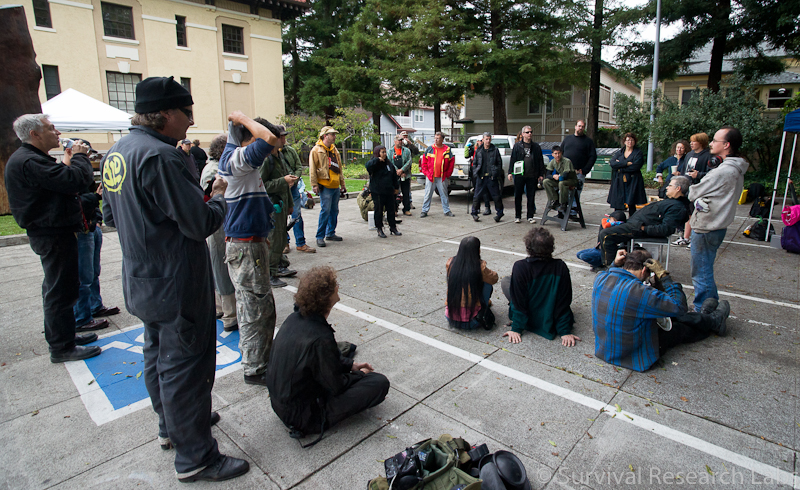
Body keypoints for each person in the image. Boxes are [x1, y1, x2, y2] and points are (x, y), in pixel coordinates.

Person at [101, 77, 248, 482]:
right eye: (187, 112)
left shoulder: (117, 152)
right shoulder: (162, 157)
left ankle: (172, 426)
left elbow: (110, 217)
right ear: (165, 113)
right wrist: (218, 195)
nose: (191, 121)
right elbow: (199, 222)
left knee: (157, 355)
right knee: (185, 367)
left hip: (142, 276)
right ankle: (196, 457)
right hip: (175, 281)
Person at [5, 114, 102, 363]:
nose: (57, 133)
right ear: (34, 134)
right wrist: (80, 157)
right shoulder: (29, 161)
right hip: (51, 233)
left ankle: (66, 336)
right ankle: (61, 346)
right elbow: (75, 180)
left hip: (54, 231)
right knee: (60, 290)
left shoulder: (33, 159)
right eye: (50, 128)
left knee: (64, 287)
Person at [266, 266, 390, 443]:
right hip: (303, 416)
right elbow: (336, 385)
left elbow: (320, 362)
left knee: (348, 352)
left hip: (281, 404)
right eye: (334, 285)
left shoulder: (294, 318)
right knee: (378, 382)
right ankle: (318, 419)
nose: (337, 287)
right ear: (326, 298)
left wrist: (350, 365)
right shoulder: (321, 338)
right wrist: (359, 375)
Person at [218, 112, 280, 387]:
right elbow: (268, 139)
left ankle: (261, 360)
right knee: (254, 310)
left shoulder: (234, 153)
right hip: (245, 247)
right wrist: (242, 118)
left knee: (260, 306)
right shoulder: (239, 159)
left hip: (250, 243)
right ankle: (255, 368)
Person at [592, 249, 730, 372]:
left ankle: (705, 317)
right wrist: (664, 276)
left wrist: (615, 263)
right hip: (632, 356)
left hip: (605, 349)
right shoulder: (640, 292)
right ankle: (712, 321)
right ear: (645, 270)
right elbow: (679, 307)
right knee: (678, 328)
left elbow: (610, 270)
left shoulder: (601, 278)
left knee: (664, 314)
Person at [686, 127, 748, 312]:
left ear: (726, 145)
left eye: (715, 140)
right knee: (705, 268)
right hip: (717, 225)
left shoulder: (723, 171)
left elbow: (693, 192)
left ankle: (703, 310)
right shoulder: (735, 168)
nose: (711, 143)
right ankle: (709, 305)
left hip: (707, 227)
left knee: (701, 271)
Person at [577, 176, 693, 268]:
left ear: (678, 189)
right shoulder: (672, 201)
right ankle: (601, 253)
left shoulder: (677, 207)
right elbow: (662, 192)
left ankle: (612, 268)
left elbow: (666, 229)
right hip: (635, 223)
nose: (667, 187)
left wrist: (643, 228)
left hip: (638, 228)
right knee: (606, 224)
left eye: (670, 185)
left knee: (606, 234)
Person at [501, 227, 579, 346]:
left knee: (506, 282)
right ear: (551, 247)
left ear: (528, 247)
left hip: (528, 316)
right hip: (551, 316)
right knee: (509, 281)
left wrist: (516, 328)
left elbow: (518, 302)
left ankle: (523, 319)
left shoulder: (520, 266)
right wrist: (564, 330)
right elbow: (565, 300)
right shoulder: (560, 266)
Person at [73, 140, 120, 332]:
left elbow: (90, 192)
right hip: (80, 229)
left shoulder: (80, 174)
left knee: (93, 272)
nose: (89, 161)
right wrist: (79, 158)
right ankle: (82, 317)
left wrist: (97, 216)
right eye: (85, 156)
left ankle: (94, 306)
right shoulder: (68, 173)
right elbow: (78, 198)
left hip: (91, 225)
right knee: (83, 276)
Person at [200, 134, 238, 333]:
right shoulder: (214, 170)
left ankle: (220, 307)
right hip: (218, 223)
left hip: (217, 220)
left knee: (218, 264)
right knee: (221, 265)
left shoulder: (212, 167)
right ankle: (229, 313)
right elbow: (212, 197)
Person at [261, 122, 298, 288]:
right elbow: (262, 185)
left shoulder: (280, 156)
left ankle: (280, 266)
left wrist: (290, 203)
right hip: (272, 205)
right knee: (275, 239)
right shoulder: (266, 160)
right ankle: (270, 273)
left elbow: (286, 183)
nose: (284, 139)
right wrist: (282, 181)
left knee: (281, 237)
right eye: (281, 136)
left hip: (282, 204)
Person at [445, 236, 498, 330]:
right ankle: (482, 306)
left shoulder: (451, 263)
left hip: (450, 318)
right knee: (487, 285)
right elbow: (494, 279)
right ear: (477, 250)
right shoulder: (480, 267)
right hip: (472, 322)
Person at [310, 126, 347, 248]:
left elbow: (339, 168)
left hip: (335, 185)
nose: (335, 136)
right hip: (325, 186)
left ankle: (331, 233)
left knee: (334, 211)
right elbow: (312, 169)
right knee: (325, 211)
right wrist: (314, 184)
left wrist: (342, 184)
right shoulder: (316, 150)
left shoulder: (334, 150)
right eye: (332, 134)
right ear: (325, 136)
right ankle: (320, 236)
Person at [673, 133, 712, 247]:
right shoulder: (689, 154)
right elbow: (685, 170)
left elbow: (712, 174)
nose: (691, 143)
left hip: (699, 189)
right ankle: (685, 237)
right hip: (687, 188)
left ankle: (696, 239)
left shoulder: (708, 156)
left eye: (694, 141)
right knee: (687, 213)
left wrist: (698, 175)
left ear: (701, 142)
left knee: (696, 213)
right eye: (691, 141)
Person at [280, 127, 315, 253]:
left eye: (284, 136)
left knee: (297, 216)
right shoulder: (271, 154)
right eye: (281, 136)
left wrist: (294, 179)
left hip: (293, 188)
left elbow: (299, 167)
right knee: (281, 218)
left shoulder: (290, 151)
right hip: (280, 190)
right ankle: (285, 243)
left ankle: (301, 243)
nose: (283, 139)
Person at [507, 125, 545, 223]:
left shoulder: (536, 146)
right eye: (527, 132)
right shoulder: (518, 146)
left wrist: (541, 174)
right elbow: (513, 159)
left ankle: (530, 216)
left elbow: (540, 161)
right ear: (523, 134)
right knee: (518, 195)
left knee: (531, 196)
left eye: (531, 132)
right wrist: (510, 172)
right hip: (519, 174)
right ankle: (518, 215)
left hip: (532, 175)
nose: (530, 134)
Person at [560, 120, 596, 218]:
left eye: (583, 126)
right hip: (566, 172)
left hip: (578, 173)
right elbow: (560, 153)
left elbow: (593, 157)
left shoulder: (588, 142)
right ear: (575, 127)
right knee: (563, 191)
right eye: (579, 126)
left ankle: (572, 213)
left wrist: (585, 170)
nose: (581, 128)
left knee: (575, 193)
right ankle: (562, 211)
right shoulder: (567, 139)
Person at [608, 132, 646, 218]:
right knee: (618, 202)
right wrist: (626, 163)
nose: (630, 142)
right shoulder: (620, 152)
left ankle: (632, 222)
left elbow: (636, 166)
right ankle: (617, 219)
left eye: (632, 140)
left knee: (631, 202)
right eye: (628, 140)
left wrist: (620, 166)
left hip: (632, 181)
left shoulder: (638, 153)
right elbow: (612, 163)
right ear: (624, 142)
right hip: (619, 181)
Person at [366, 145, 402, 238]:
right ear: (378, 153)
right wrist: (377, 160)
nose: (384, 154)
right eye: (382, 152)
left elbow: (394, 176)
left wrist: (396, 187)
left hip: (389, 191)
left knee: (391, 210)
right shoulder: (374, 163)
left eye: (385, 152)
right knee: (379, 211)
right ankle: (379, 229)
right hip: (378, 192)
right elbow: (368, 166)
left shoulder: (388, 164)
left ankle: (393, 228)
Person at [419, 132, 456, 218]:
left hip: (442, 177)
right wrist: (427, 173)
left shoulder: (447, 150)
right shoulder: (429, 149)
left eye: (438, 138)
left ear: (442, 140)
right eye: (435, 138)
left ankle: (447, 211)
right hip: (431, 176)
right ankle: (424, 210)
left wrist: (448, 174)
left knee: (444, 194)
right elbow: (424, 162)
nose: (436, 140)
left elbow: (451, 162)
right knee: (428, 194)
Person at [471, 132, 503, 222]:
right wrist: (475, 172)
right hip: (481, 177)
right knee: (476, 196)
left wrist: (496, 172)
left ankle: (500, 213)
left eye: (489, 139)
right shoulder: (479, 150)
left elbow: (499, 163)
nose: (488, 141)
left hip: (491, 177)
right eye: (486, 139)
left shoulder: (495, 150)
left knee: (496, 197)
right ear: (483, 140)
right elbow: (475, 163)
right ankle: (474, 213)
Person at [542, 145, 578, 215]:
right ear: (552, 154)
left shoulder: (567, 161)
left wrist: (558, 177)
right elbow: (547, 175)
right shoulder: (553, 161)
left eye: (559, 153)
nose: (557, 155)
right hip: (561, 180)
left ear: (561, 153)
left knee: (561, 183)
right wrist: (553, 176)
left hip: (571, 180)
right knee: (546, 182)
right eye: (555, 153)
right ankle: (554, 200)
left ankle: (563, 203)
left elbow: (565, 175)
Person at [392, 135, 413, 216]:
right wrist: (397, 171)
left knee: (406, 193)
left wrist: (402, 170)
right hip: (395, 176)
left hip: (405, 175)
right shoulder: (391, 151)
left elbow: (409, 161)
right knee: (394, 193)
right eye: (399, 140)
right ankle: (394, 210)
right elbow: (390, 162)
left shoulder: (407, 151)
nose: (400, 141)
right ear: (395, 141)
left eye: (401, 140)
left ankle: (406, 209)